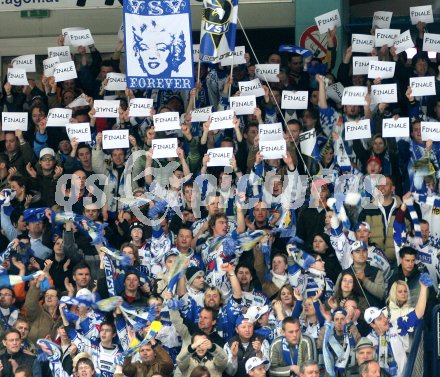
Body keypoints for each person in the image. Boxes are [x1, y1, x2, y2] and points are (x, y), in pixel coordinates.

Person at [365, 274, 432, 377]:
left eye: (383, 316)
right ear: (372, 325)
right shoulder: (369, 341)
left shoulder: (396, 325)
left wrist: (423, 288)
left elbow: (418, 313)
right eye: (379, 319)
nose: (384, 320)